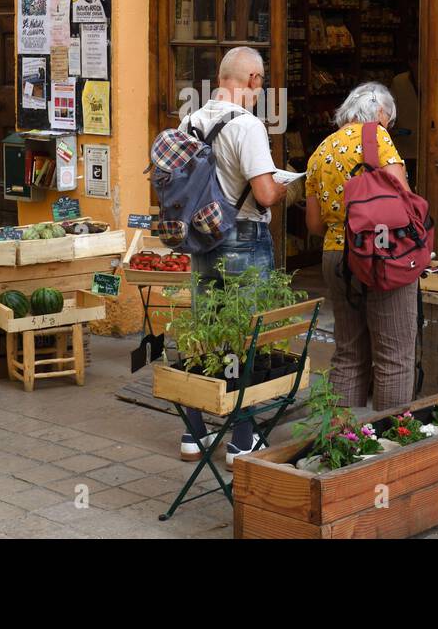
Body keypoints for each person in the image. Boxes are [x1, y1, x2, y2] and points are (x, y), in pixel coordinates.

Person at [175, 46, 288, 464]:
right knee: (247, 335)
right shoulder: (247, 125)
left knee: (206, 331)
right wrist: (285, 186)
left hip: (202, 238)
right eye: (261, 84)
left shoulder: (189, 120)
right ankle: (243, 438)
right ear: (254, 81)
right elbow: (263, 192)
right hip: (243, 236)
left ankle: (194, 432)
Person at [304, 82, 416, 411]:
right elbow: (402, 198)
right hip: (382, 254)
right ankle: (391, 445)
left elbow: (313, 225)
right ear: (380, 113)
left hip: (336, 254)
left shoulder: (320, 150)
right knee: (394, 357)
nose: (388, 128)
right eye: (389, 121)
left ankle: (343, 441)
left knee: (349, 353)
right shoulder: (377, 137)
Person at [389, 65, 419, 185]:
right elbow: (390, 109)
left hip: (428, 145)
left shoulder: (433, 78)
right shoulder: (399, 81)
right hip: (405, 143)